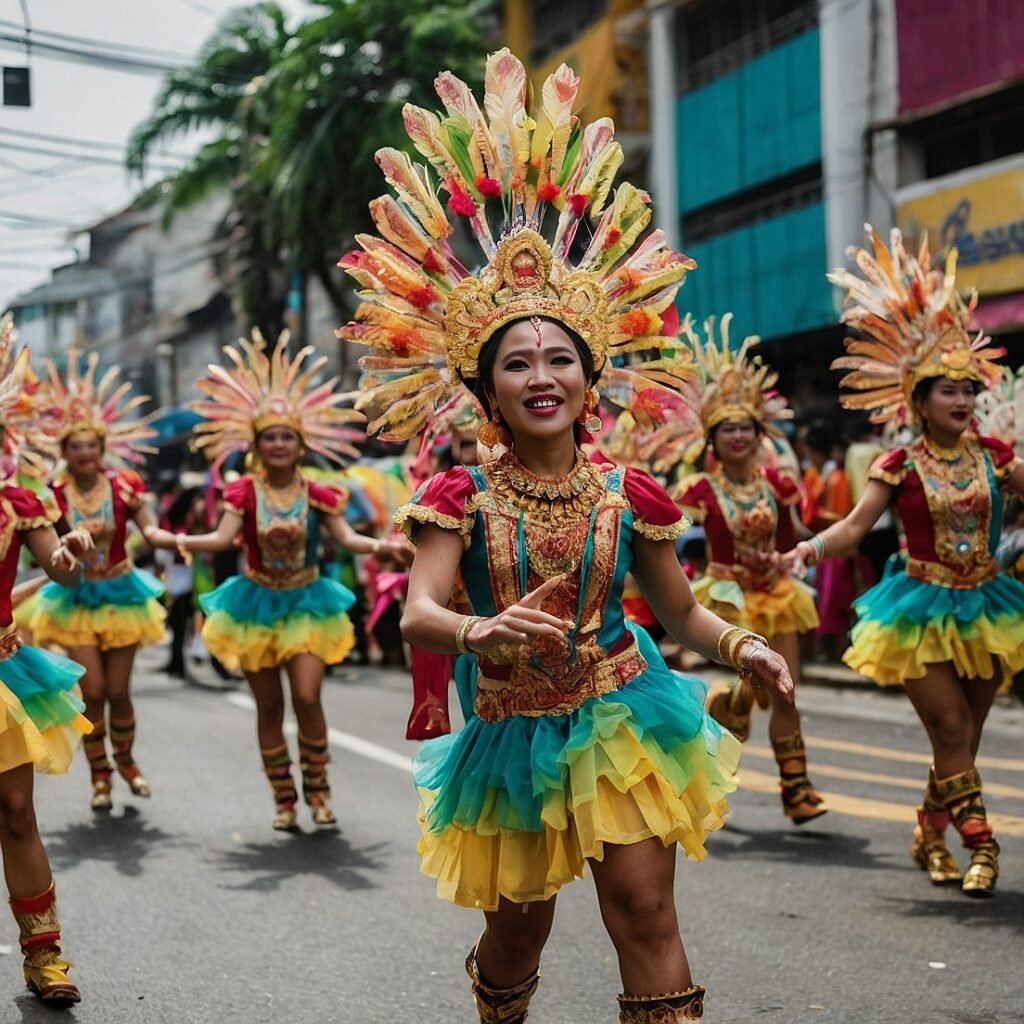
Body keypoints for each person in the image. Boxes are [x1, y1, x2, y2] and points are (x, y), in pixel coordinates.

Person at [338, 49, 794, 1023]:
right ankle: (499, 1005)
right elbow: (419, 607)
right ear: (486, 386)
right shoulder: (456, 493)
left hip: (625, 712)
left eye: (559, 357)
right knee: (519, 932)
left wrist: (745, 643)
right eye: (516, 361)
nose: (540, 374)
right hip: (510, 729)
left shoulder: (631, 491)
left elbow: (676, 609)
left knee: (644, 908)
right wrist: (478, 633)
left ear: (589, 376)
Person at [783, 227, 1024, 897]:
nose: (962, 399)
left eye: (968, 389)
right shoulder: (899, 463)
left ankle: (927, 831)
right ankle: (983, 844)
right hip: (918, 611)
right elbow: (857, 527)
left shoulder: (997, 460)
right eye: (946, 389)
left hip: (989, 606)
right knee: (949, 725)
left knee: (964, 738)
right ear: (918, 401)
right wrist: (809, 545)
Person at [145, 331, 408, 831]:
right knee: (269, 705)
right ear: (258, 445)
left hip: (309, 603)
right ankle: (284, 800)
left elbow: (348, 539)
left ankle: (321, 791)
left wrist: (384, 547)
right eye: (270, 437)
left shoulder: (320, 493)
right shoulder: (242, 492)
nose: (280, 444)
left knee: (307, 698)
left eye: (287, 436)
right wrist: (174, 540)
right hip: (255, 603)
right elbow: (223, 538)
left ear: (300, 443)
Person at [670, 317, 826, 824]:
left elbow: (797, 531)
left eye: (745, 428)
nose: (737, 436)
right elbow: (671, 541)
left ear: (760, 435)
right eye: (727, 429)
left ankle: (797, 788)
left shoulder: (778, 484)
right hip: (725, 598)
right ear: (711, 439)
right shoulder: (695, 489)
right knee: (743, 689)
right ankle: (711, 747)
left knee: (785, 691)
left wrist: (816, 544)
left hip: (777, 593)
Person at [29, 349, 165, 813]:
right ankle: (100, 776)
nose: (84, 453)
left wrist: (175, 538)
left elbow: (150, 528)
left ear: (101, 448)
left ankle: (126, 761)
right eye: (75, 446)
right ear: (63, 452)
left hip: (124, 592)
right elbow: (40, 543)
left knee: (120, 691)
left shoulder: (124, 485)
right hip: (75, 595)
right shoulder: (51, 497)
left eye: (91, 445)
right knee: (93, 692)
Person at [0, 337, 94, 1005]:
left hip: (3, 670)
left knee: (15, 812)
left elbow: (56, 567)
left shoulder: (19, 499)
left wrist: (72, 549)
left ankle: (45, 957)